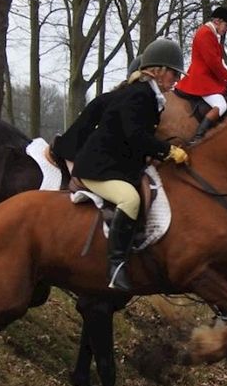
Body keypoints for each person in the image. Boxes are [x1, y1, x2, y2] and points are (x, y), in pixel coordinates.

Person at [71, 38, 190, 291]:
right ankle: (115, 265)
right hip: (98, 168)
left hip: (118, 164)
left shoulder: (149, 95)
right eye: (173, 73)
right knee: (129, 200)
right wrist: (167, 150)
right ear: (158, 71)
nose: (176, 79)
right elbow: (135, 136)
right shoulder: (139, 95)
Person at [177, 6, 227, 143]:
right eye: (226, 25)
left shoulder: (210, 33)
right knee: (221, 105)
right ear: (217, 21)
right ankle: (198, 137)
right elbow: (213, 62)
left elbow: (218, 61)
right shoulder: (205, 33)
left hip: (207, 77)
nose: (226, 29)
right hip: (202, 79)